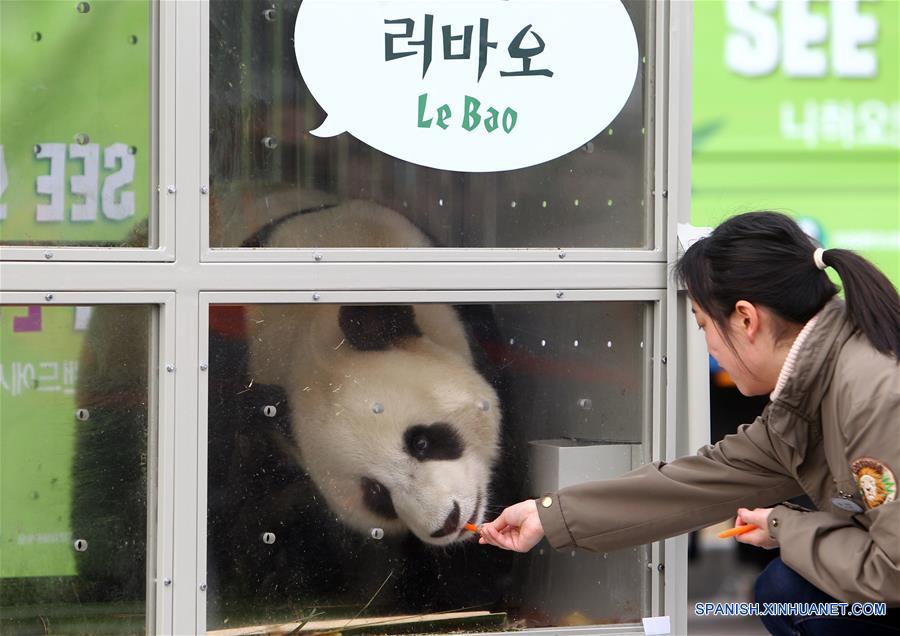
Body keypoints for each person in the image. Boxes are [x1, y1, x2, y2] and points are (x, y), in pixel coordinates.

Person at [478, 212, 900, 635]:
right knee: (787, 589)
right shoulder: (809, 393)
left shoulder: (874, 394)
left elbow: (892, 573)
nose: (709, 345)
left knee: (789, 592)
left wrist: (784, 526)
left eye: (703, 324)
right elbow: (699, 482)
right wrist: (549, 515)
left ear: (746, 319)